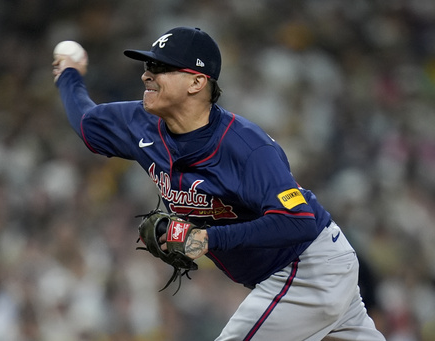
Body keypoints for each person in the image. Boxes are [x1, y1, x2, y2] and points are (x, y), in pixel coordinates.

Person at [52, 26, 385, 341]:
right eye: (147, 65)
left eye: (161, 67)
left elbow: (297, 222)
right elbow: (86, 123)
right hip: (297, 273)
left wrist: (207, 238)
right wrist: (68, 76)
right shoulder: (141, 123)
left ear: (197, 82)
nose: (146, 74)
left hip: (306, 267)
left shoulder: (246, 147)